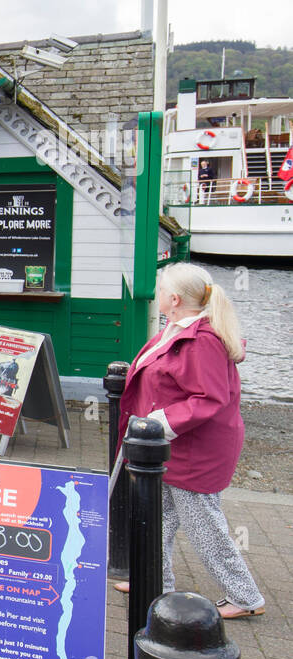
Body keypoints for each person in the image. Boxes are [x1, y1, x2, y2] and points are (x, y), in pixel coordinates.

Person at [116, 263, 264, 619]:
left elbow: (209, 398)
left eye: (161, 287)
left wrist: (156, 423)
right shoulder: (180, 329)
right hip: (175, 446)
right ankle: (155, 580)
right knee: (158, 517)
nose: (157, 293)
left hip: (194, 451)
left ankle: (245, 597)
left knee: (204, 527)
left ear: (175, 299)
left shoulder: (201, 340)